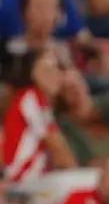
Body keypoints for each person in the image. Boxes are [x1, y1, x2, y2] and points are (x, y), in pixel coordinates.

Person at [2, 47, 75, 183]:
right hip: (20, 182)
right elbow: (57, 146)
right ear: (34, 73)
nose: (55, 76)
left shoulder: (41, 102)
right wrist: (75, 176)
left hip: (32, 180)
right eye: (48, 70)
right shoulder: (30, 98)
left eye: (57, 70)